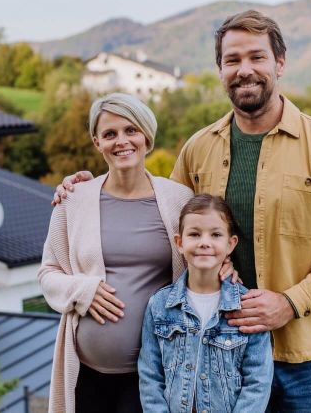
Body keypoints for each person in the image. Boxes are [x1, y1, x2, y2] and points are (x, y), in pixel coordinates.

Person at [54, 10, 311, 412]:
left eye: (256, 57)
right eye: (233, 60)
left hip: (307, 356)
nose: (245, 70)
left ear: (280, 62)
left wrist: (290, 302)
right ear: (220, 70)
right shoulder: (198, 149)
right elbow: (161, 221)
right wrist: (88, 188)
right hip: (216, 356)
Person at [38, 93, 237, 413]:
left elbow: (204, 251)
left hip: (155, 374)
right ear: (96, 142)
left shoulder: (178, 199)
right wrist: (82, 289)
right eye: (109, 134)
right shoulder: (74, 199)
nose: (121, 141)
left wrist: (225, 269)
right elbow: (48, 272)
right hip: (87, 373)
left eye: (131, 130)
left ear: (147, 137)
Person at [139, 194, 273, 412]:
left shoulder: (247, 306)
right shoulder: (160, 305)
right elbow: (150, 375)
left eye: (216, 235)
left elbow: (258, 382)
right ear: (179, 243)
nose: (204, 242)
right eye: (194, 234)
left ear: (231, 244)